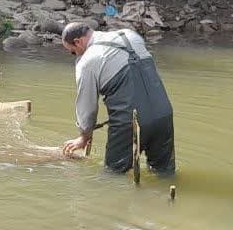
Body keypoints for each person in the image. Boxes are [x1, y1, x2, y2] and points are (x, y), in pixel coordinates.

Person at [60, 22, 175, 175]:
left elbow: (87, 106)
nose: (75, 56)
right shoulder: (130, 35)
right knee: (164, 174)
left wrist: (84, 137)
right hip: (164, 114)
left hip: (129, 122)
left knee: (112, 177)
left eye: (73, 52)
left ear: (78, 42)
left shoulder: (87, 61)